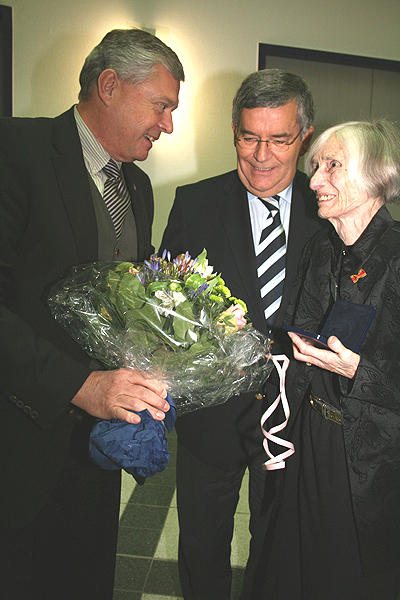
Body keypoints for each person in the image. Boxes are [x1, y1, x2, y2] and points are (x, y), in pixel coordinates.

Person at [0, 28, 184, 600]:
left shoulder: (139, 186)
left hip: (97, 453)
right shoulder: (15, 152)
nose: (168, 125)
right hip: (20, 441)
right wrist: (77, 384)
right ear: (110, 85)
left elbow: (126, 298)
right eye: (162, 106)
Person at [160, 68, 322, 600]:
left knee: (277, 544)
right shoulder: (195, 204)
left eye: (279, 139)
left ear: (304, 135)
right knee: (202, 545)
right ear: (234, 131)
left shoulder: (331, 211)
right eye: (249, 137)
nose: (261, 155)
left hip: (297, 415)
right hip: (212, 415)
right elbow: (165, 305)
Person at [253, 120, 400, 599]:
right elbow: (297, 336)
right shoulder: (321, 248)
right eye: (316, 166)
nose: (314, 180)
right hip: (310, 437)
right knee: (296, 570)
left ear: (377, 174)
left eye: (331, 166)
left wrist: (362, 372)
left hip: (372, 458)